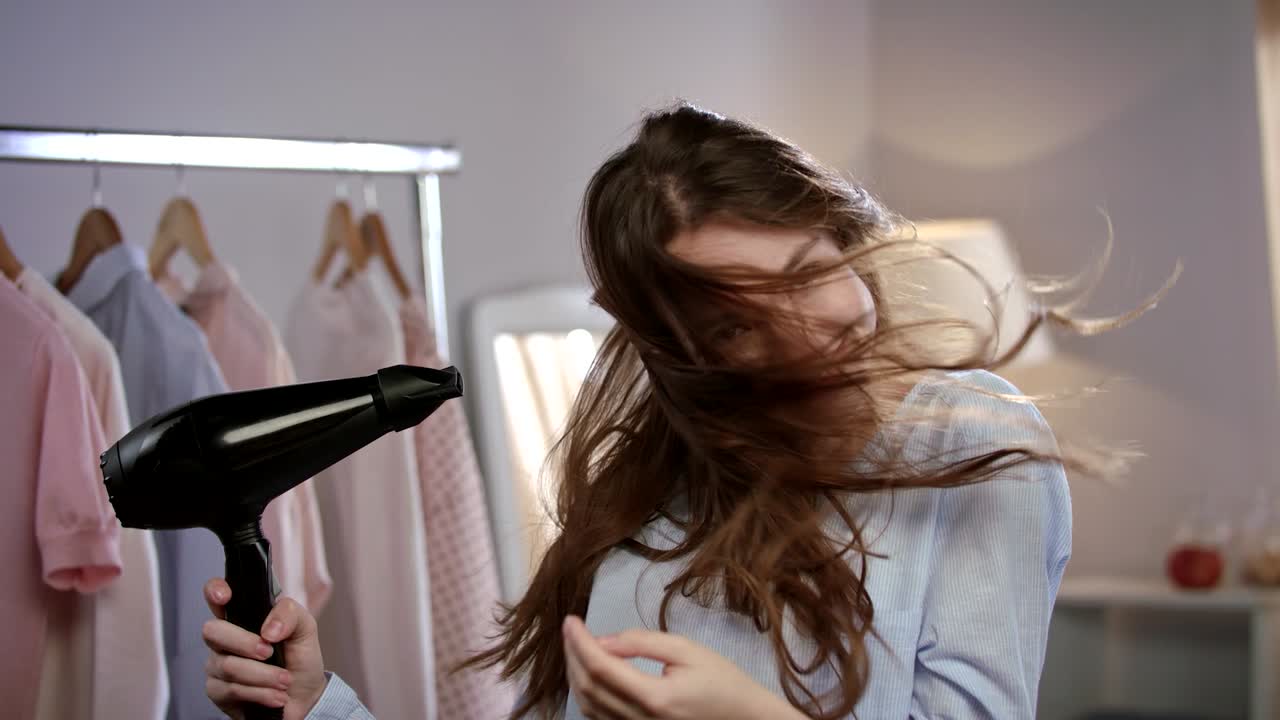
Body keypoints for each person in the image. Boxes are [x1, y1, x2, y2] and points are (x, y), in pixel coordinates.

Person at [200, 103, 1166, 719]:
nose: (808, 330)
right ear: (686, 354)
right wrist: (317, 702)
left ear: (846, 240)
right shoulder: (647, 494)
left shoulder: (972, 442)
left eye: (812, 272)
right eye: (744, 323)